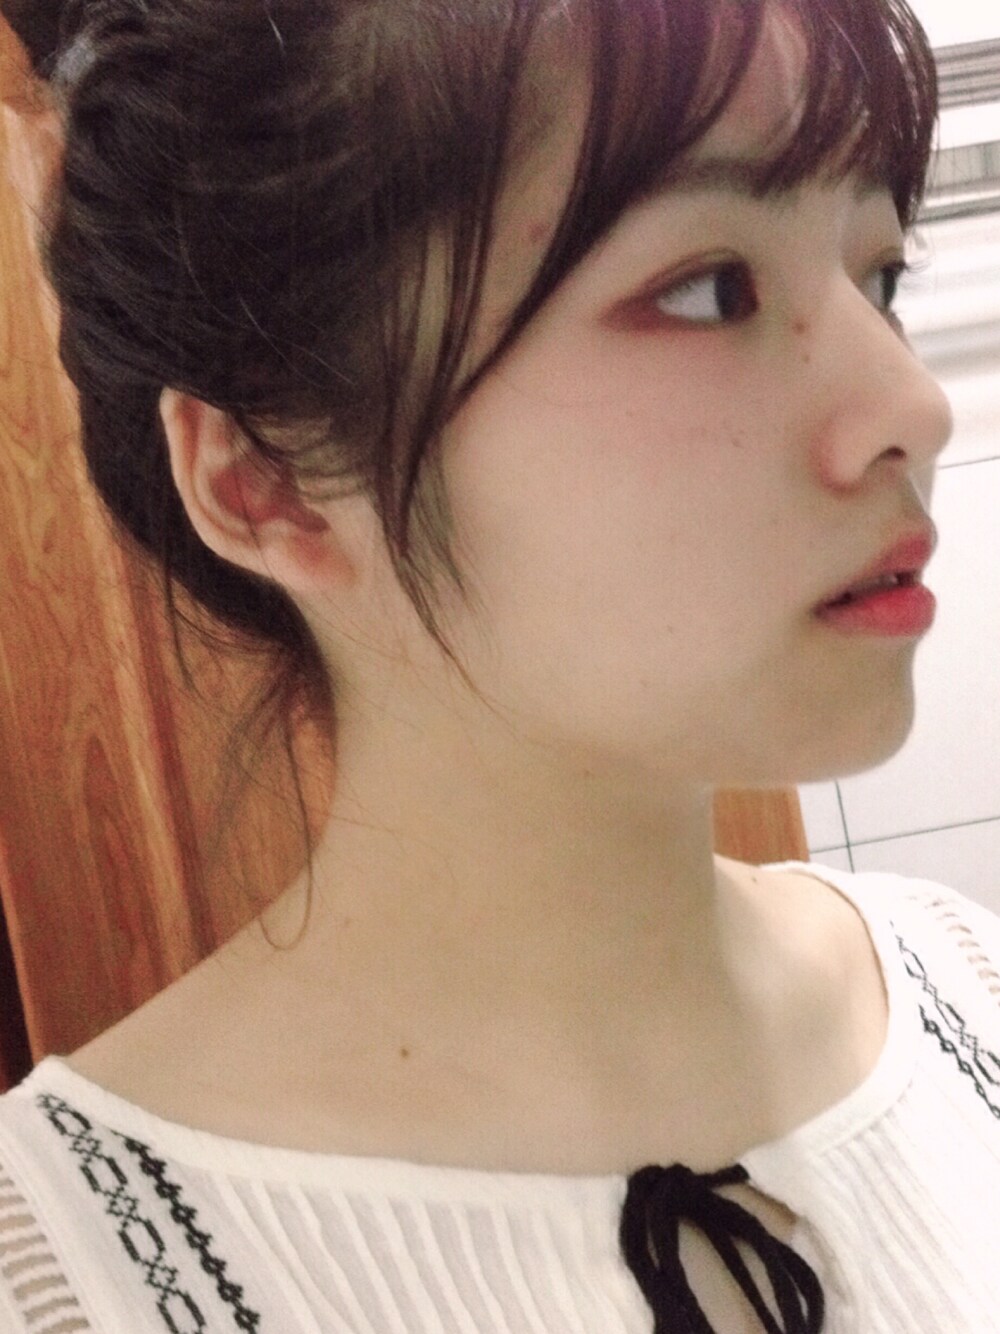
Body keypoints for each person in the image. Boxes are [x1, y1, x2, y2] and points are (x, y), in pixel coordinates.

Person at [1, 0, 998, 1330]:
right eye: (709, 289)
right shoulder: (74, 1270)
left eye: (878, 277)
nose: (913, 407)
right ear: (268, 485)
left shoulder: (968, 997)